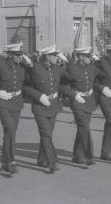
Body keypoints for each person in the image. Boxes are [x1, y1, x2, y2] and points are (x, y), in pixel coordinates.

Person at [0, 43, 32, 175]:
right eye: (17, 54)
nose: (20, 57)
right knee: (10, 129)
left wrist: (30, 65)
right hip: (3, 101)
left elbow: (30, 81)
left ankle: (5, 162)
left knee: (10, 133)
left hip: (17, 102)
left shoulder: (22, 67)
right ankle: (11, 162)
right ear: (9, 55)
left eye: (21, 54)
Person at [23, 45, 73, 173]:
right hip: (40, 106)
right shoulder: (35, 69)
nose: (57, 57)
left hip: (54, 105)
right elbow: (26, 87)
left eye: (57, 55)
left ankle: (41, 160)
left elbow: (71, 77)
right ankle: (52, 162)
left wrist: (68, 61)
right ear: (47, 56)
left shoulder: (57, 68)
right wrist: (39, 96)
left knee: (47, 135)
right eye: (54, 55)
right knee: (46, 134)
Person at [63, 46, 105, 166]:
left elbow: (105, 74)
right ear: (81, 57)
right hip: (77, 101)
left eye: (90, 56)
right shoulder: (73, 69)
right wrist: (73, 95)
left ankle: (77, 155)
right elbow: (64, 85)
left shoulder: (92, 68)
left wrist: (99, 60)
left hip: (89, 101)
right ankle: (89, 156)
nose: (90, 58)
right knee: (85, 128)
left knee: (82, 129)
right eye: (87, 56)